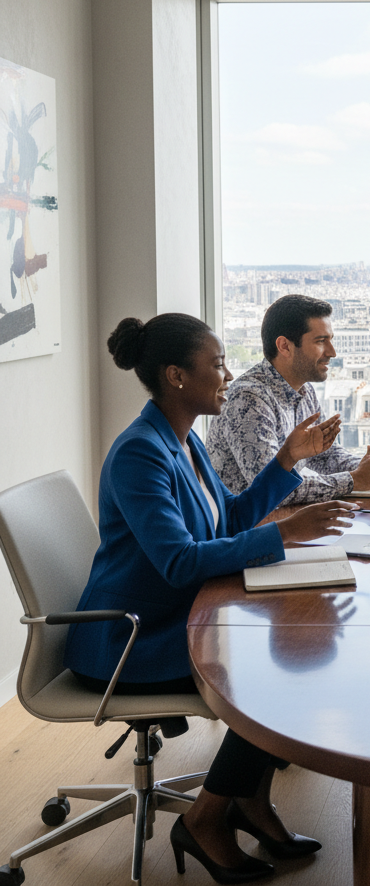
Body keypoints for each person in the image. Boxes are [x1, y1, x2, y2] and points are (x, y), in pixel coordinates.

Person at [64, 313, 353, 884]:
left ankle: (249, 802)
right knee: (271, 672)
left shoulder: (184, 440)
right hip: (130, 638)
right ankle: (206, 819)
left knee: (288, 648)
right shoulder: (140, 454)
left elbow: (228, 519)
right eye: (217, 364)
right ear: (176, 376)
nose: (227, 375)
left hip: (176, 617)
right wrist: (285, 534)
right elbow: (178, 561)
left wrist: (286, 462)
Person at [207, 295, 370, 503]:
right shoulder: (249, 399)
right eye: (321, 341)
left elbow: (323, 455)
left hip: (282, 523)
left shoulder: (304, 390)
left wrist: (368, 465)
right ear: (285, 346)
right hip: (247, 529)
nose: (332, 352)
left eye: (330, 340)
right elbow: (273, 489)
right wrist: (354, 479)